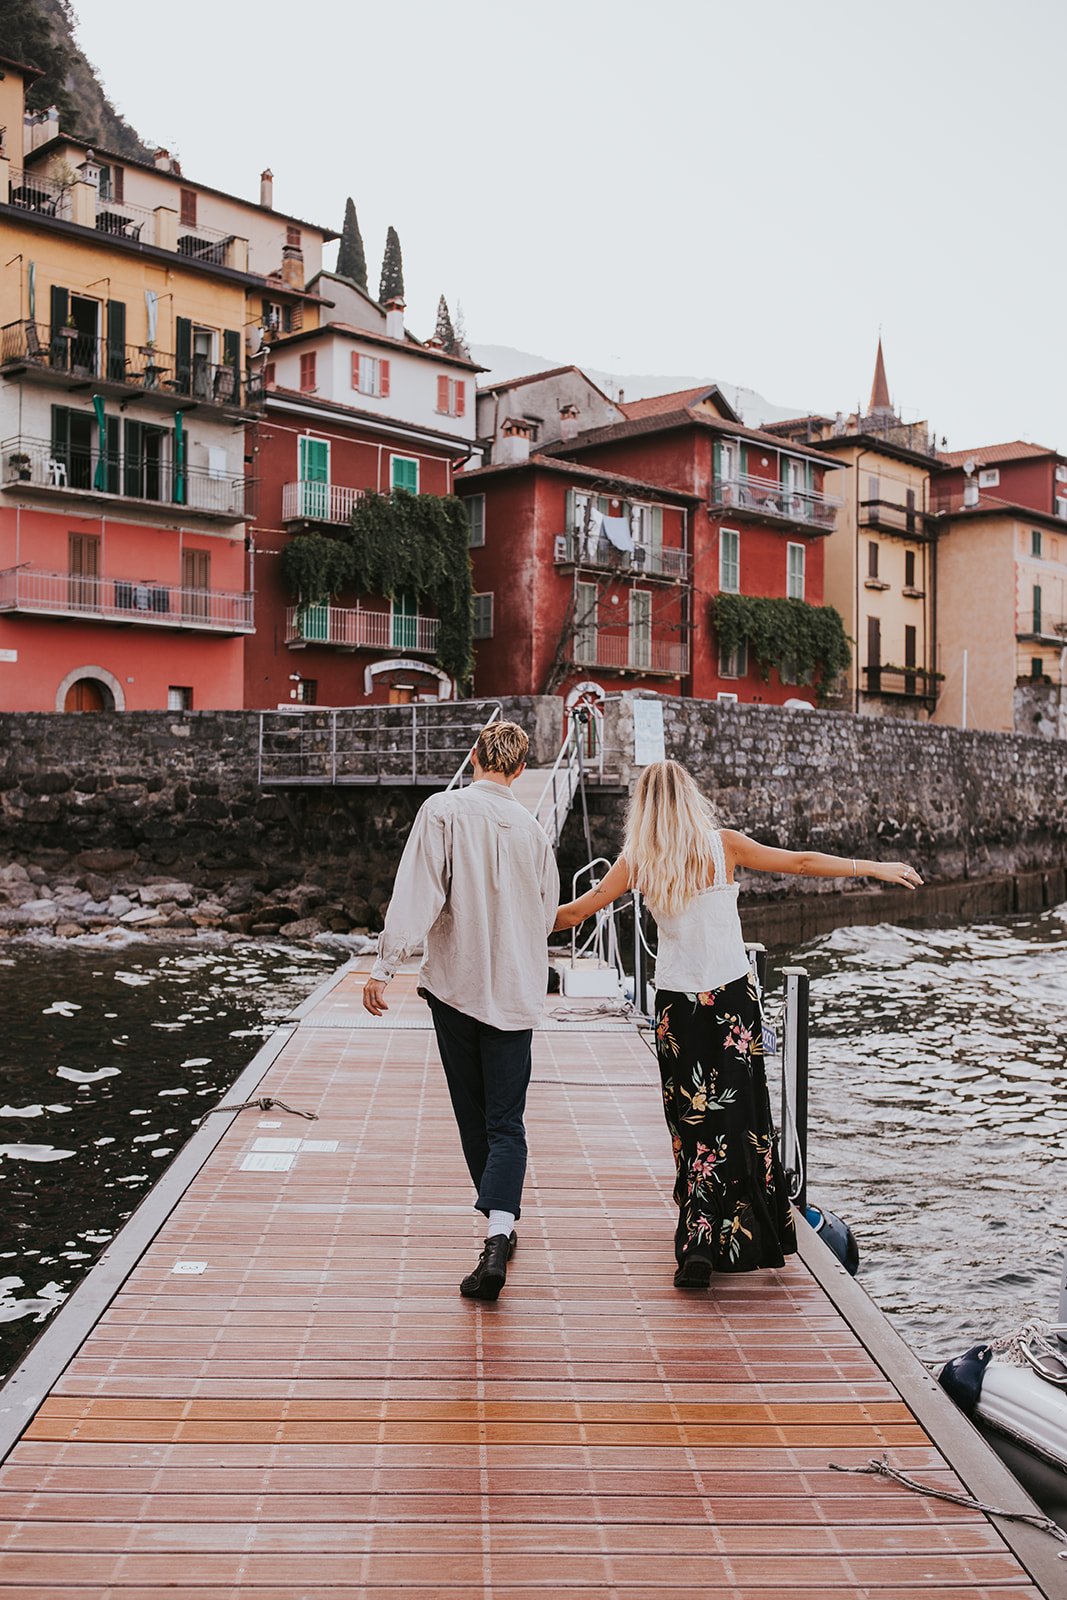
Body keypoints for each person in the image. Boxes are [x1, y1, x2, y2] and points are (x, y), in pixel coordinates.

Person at [553, 760, 923, 1290]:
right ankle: (735, 1236)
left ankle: (697, 1239)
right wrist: (870, 866)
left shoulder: (639, 859)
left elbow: (574, 913)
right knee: (740, 1121)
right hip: (731, 1001)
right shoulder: (722, 845)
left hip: (679, 1009)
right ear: (690, 797)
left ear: (644, 807)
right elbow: (799, 862)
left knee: (693, 1122)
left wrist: (504, 914)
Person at [362, 721, 559, 1302]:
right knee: (507, 1122)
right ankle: (501, 1230)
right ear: (520, 771)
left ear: (473, 756)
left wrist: (384, 966)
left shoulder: (442, 811)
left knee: (474, 1117)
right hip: (517, 993)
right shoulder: (533, 831)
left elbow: (417, 892)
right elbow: (545, 913)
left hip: (457, 988)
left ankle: (497, 1232)